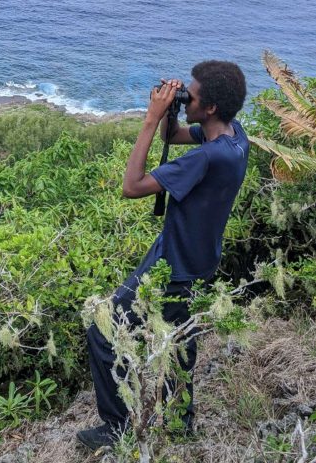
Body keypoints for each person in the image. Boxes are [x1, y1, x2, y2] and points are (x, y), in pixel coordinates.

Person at [77, 61, 249, 450]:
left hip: (173, 265)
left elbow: (132, 185)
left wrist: (149, 120)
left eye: (192, 96)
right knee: (178, 337)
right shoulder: (235, 139)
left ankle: (116, 427)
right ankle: (180, 418)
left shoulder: (206, 158)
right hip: (200, 260)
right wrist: (169, 114)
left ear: (209, 109)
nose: (185, 97)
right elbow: (177, 133)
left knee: (102, 330)